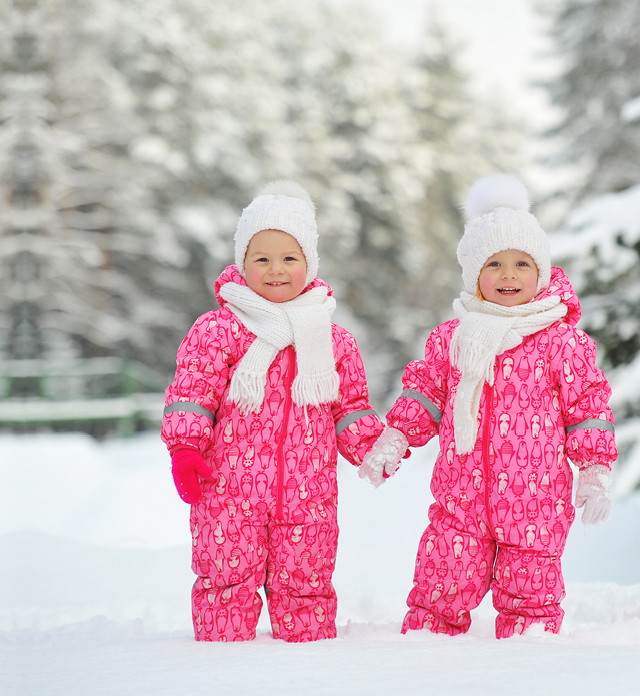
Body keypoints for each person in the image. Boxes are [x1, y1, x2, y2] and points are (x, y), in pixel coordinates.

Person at [161, 180, 406, 642]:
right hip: (228, 489)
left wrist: (373, 446)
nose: (276, 270)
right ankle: (217, 666)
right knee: (224, 581)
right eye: (262, 258)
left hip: (308, 494)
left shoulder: (332, 339)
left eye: (289, 258)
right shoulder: (220, 329)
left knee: (306, 583)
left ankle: (307, 670)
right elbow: (192, 391)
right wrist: (186, 447)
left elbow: (349, 408)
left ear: (309, 264)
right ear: (242, 263)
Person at [386, 174, 617, 638]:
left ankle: (525, 665)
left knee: (531, 600)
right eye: (494, 264)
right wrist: (396, 436)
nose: (508, 275)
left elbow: (587, 406)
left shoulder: (561, 341)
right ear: (475, 275)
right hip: (459, 501)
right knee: (440, 586)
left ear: (542, 272)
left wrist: (593, 470)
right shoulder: (453, 338)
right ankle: (423, 662)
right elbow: (426, 392)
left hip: (536, 505)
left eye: (521, 264)